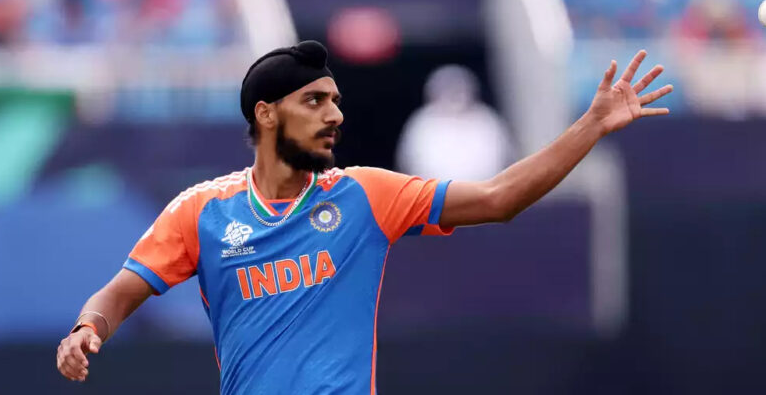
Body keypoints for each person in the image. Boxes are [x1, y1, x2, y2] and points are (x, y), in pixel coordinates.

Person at [56, 41, 671, 394]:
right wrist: (89, 327)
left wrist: (591, 126)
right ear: (266, 114)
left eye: (336, 101)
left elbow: (497, 198)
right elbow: (121, 291)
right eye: (314, 101)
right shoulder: (202, 210)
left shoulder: (364, 195)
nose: (335, 115)